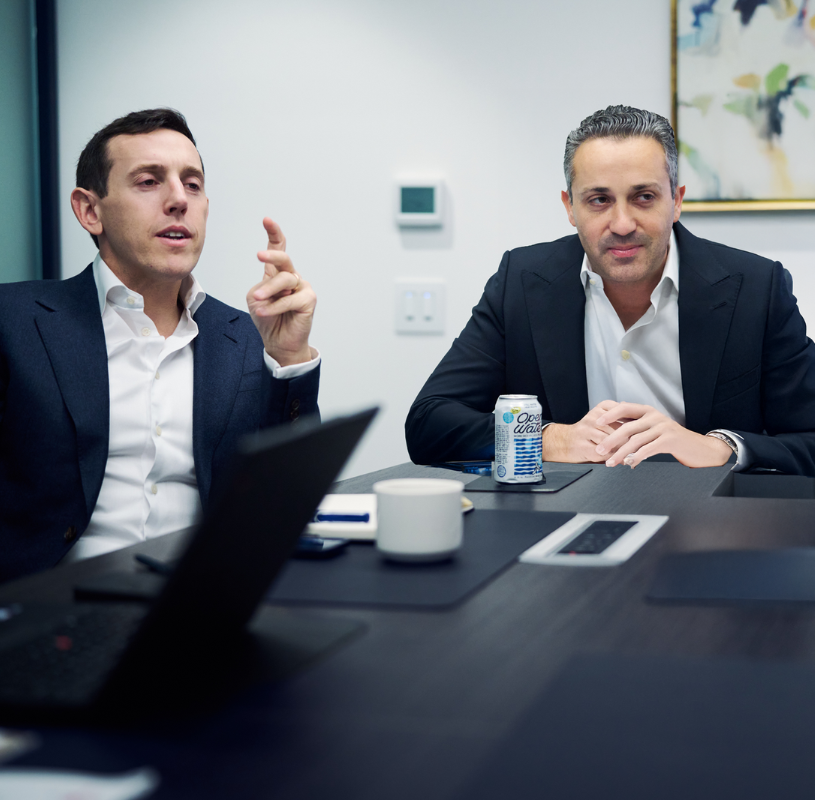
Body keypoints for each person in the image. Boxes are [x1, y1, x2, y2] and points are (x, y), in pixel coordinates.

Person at [406, 105, 815, 476]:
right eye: (599, 200)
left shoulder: (756, 289)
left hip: (711, 519)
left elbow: (808, 438)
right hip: (563, 517)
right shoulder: (521, 282)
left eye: (644, 197)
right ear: (570, 207)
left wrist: (722, 447)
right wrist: (549, 438)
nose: (622, 224)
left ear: (676, 201)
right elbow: (429, 422)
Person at [0, 108, 320, 582]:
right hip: (53, 602)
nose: (178, 200)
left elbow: (289, 499)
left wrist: (289, 358)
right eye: (149, 181)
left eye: (193, 184)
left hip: (199, 598)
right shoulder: (14, 322)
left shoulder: (245, 336)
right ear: (90, 211)